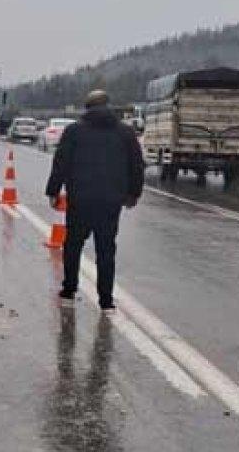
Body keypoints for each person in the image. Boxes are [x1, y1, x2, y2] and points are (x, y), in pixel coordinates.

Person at [45, 90, 145, 313]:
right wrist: (133, 193)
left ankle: (69, 289)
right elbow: (136, 165)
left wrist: (53, 190)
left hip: (80, 198)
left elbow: (61, 162)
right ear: (109, 106)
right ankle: (106, 300)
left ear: (87, 107)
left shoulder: (74, 131)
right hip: (110, 201)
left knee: (73, 245)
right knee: (106, 249)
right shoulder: (125, 133)